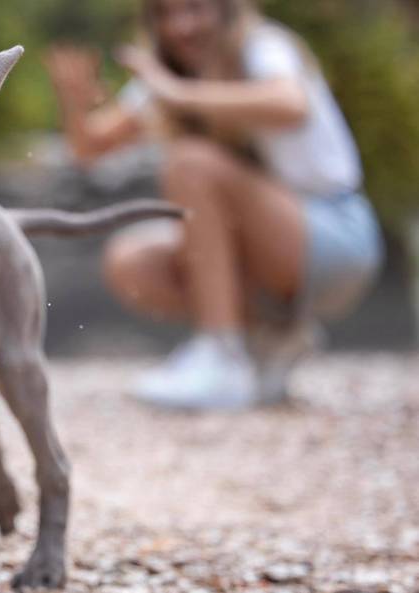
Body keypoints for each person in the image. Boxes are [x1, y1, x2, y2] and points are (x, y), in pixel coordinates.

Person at [45, 0, 383, 410]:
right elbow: (90, 149)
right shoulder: (172, 76)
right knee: (132, 261)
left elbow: (291, 104)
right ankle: (267, 344)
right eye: (167, 14)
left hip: (336, 238)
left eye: (195, 9)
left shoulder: (263, 46)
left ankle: (222, 356)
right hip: (271, 253)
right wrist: (75, 100)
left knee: (191, 163)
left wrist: (177, 93)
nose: (181, 26)